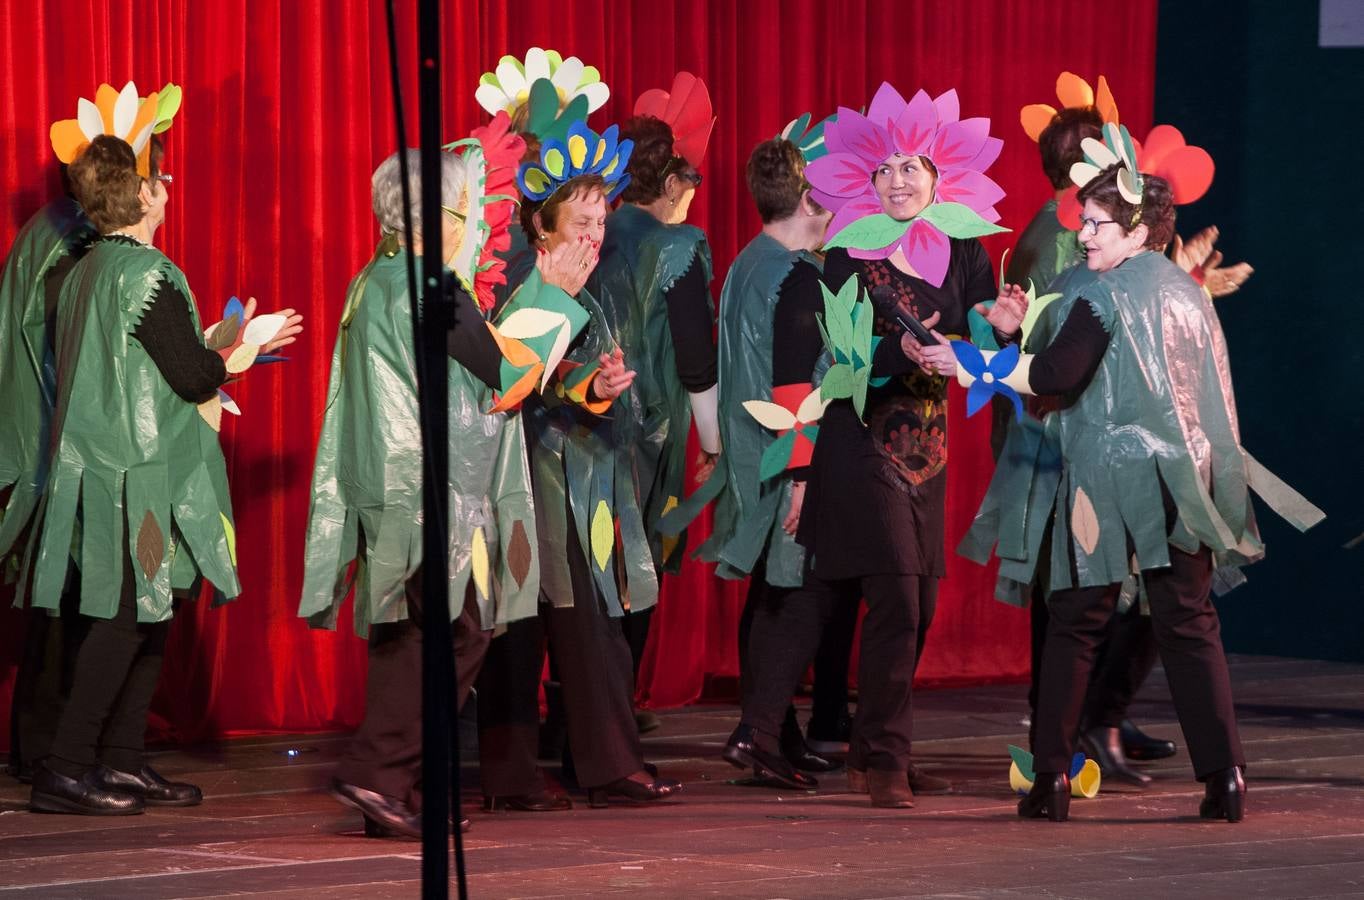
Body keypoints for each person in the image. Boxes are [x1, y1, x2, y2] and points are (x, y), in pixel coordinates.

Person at [954, 125, 1322, 822]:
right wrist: (1010, 332)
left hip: (1107, 481)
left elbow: (1060, 373)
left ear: (1138, 228)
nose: (1084, 235)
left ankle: (1051, 781)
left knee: (1074, 624)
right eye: (1084, 223)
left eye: (1095, 224)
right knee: (1189, 623)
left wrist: (978, 360)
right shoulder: (1185, 293)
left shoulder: (1103, 293)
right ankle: (1225, 778)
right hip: (1181, 479)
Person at [726, 83, 1013, 807]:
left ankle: (849, 745)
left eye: (910, 167)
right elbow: (836, 360)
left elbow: (980, 347)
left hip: (928, 451)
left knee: (872, 597)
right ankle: (884, 758)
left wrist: (1001, 331)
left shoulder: (966, 253)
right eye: (883, 170)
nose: (895, 180)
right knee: (898, 601)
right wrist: (901, 357)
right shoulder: (846, 258)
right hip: (858, 445)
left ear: (938, 177)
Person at [27, 82, 302, 815]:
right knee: (124, 620)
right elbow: (189, 372)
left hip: (100, 471)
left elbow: (143, 362)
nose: (166, 190)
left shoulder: (84, 271)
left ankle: (119, 759)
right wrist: (243, 349)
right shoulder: (147, 273)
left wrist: (218, 345)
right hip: (134, 477)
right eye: (158, 180)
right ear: (144, 196)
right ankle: (64, 766)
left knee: (148, 613)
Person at [480, 121, 680, 809]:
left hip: (579, 465)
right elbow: (512, 373)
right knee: (541, 617)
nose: (595, 235)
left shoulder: (586, 274)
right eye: (582, 222)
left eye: (601, 220)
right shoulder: (519, 275)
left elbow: (566, 369)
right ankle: (575, 764)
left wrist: (598, 383)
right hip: (530, 470)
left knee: (568, 614)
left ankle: (579, 762)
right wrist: (580, 382)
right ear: (543, 226)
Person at [699, 130, 841, 781]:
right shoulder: (798, 279)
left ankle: (776, 731)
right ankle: (756, 732)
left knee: (769, 594)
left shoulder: (749, 263)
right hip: (783, 457)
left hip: (752, 456)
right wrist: (801, 476)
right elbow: (793, 385)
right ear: (810, 193)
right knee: (796, 593)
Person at [590, 75, 719, 710]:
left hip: (579, 421)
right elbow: (696, 358)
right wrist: (716, 442)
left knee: (586, 568)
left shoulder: (588, 231)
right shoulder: (678, 244)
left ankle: (579, 717)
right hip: (648, 432)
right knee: (634, 569)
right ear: (670, 182)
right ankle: (612, 718)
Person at [1, 175, 96, 784]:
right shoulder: (73, 241)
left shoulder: (53, 229)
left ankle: (46, 746)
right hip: (55, 441)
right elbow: (75, 345)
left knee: (61, 594)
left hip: (42, 435)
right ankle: (48, 751)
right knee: (67, 594)